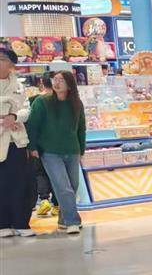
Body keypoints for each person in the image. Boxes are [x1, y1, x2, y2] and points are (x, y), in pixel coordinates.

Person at [27, 70, 88, 235]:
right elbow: (33, 125)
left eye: (61, 80)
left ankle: (63, 220)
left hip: (72, 150)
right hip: (49, 152)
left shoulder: (76, 103)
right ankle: (72, 221)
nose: (57, 83)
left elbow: (81, 128)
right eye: (55, 79)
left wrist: (81, 149)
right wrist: (32, 147)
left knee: (72, 186)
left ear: (70, 84)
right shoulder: (42, 102)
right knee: (63, 187)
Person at [0, 48, 35, 238]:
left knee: (20, 183)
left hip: (17, 141)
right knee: (2, 184)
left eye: (2, 59)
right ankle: (3, 224)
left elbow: (26, 110)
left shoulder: (19, 86)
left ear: (11, 64)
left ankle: (22, 223)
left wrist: (14, 116)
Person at [31, 73, 56, 218]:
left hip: (40, 143)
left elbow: (32, 124)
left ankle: (44, 200)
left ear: (42, 82)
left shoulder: (35, 100)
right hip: (58, 144)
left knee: (40, 173)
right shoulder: (62, 99)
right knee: (57, 173)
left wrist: (32, 145)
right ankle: (57, 204)